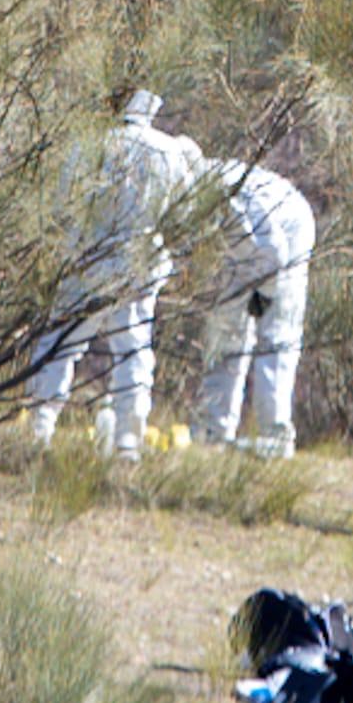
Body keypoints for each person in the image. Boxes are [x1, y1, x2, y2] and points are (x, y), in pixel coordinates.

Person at [27, 89, 200, 461]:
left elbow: (63, 204)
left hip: (85, 263)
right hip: (139, 267)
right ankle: (127, 444)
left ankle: (40, 432)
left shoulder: (89, 144)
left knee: (60, 348)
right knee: (133, 354)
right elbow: (186, 215)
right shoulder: (169, 151)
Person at [192, 157, 315, 459]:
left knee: (276, 333)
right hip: (252, 243)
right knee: (225, 329)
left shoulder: (225, 196)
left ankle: (275, 435)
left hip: (290, 231)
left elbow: (273, 252)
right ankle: (214, 430)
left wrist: (263, 295)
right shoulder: (197, 191)